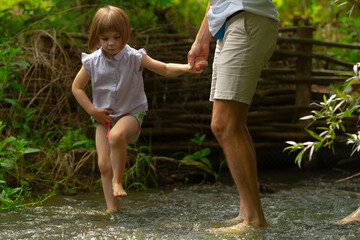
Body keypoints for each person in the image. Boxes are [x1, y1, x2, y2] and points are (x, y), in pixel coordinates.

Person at [72, 5, 204, 213]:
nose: (112, 43)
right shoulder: (92, 61)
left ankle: (118, 181)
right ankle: (112, 209)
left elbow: (164, 68)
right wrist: (92, 111)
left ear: (126, 34)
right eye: (105, 39)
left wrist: (187, 68)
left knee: (116, 136)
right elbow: (76, 87)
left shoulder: (134, 56)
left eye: (117, 37)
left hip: (131, 113)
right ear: (96, 38)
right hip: (102, 117)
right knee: (103, 164)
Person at [188, 0, 279, 232]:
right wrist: (202, 39)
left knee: (224, 125)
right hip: (229, 23)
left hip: (247, 18)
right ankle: (248, 212)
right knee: (234, 124)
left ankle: (254, 220)